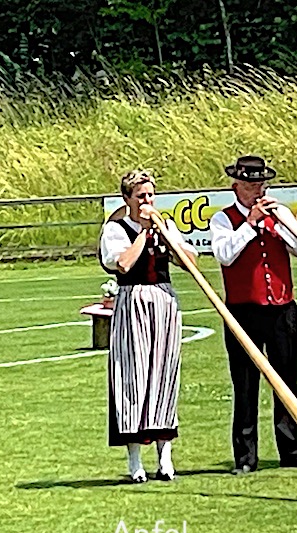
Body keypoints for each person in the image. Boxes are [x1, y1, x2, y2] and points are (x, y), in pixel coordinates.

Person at [210, 155, 297, 473]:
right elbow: (225, 255)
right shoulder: (223, 219)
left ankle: (291, 451)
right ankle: (245, 457)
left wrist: (281, 225)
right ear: (236, 187)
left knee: (286, 382)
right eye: (251, 185)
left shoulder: (279, 213)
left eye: (261, 185)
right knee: (245, 384)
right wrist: (250, 224)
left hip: (282, 308)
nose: (258, 190)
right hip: (243, 310)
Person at [99, 169, 197, 483]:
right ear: (127, 199)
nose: (147, 201)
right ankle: (135, 460)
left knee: (164, 374)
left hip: (164, 300)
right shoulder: (115, 229)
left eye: (151, 195)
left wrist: (166, 236)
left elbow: (190, 262)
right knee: (134, 375)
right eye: (141, 196)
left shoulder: (166, 225)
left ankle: (165, 458)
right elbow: (123, 264)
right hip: (133, 300)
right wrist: (143, 232)